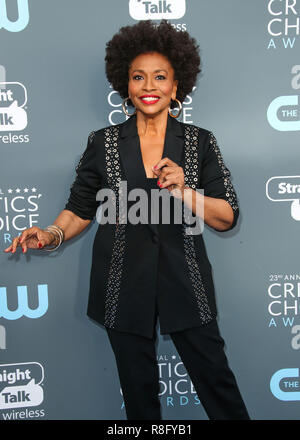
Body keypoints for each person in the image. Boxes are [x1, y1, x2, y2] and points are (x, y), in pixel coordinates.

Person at [4, 20, 250, 420]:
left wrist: (185, 191)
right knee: (139, 400)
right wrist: (50, 234)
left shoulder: (200, 142)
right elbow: (80, 209)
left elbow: (227, 218)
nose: (148, 85)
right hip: (120, 284)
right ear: (126, 84)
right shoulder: (102, 143)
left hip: (186, 283)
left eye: (159, 77)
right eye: (139, 77)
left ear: (176, 86)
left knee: (218, 386)